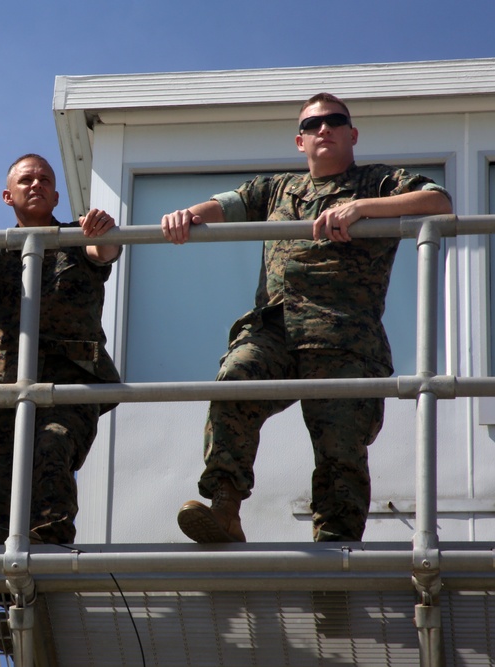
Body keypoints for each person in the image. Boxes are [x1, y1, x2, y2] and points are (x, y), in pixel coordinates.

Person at [160, 92, 453, 544]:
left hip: (343, 338)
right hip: (275, 328)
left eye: (334, 121)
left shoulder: (378, 182)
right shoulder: (278, 188)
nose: (324, 129)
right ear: (300, 141)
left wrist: (362, 208)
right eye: (314, 124)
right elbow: (226, 205)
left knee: (340, 452)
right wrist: (186, 216)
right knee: (234, 378)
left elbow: (438, 202)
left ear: (351, 134)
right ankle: (224, 511)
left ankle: (335, 556)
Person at [0, 153, 121, 547]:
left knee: (52, 449)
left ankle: (50, 561)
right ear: (8, 197)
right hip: (7, 386)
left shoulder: (78, 236)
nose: (36, 184)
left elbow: (103, 253)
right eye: (26, 180)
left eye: (44, 179)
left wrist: (102, 233)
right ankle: (11, 593)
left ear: (56, 196)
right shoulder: (0, 247)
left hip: (71, 381)